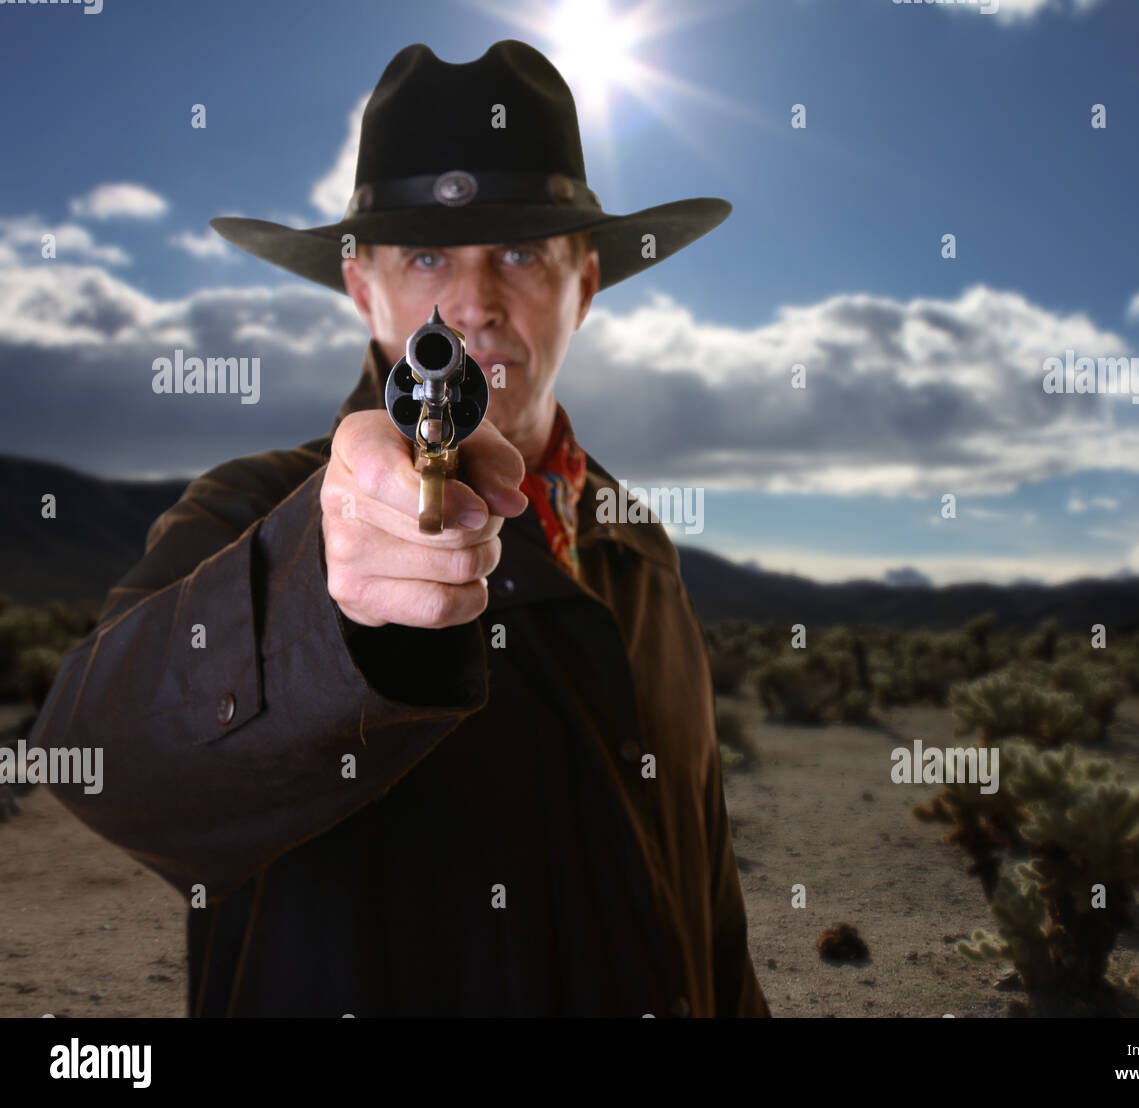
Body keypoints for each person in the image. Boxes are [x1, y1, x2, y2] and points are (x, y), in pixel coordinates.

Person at [28, 39, 770, 1018]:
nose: (471, 305)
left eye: (519, 252)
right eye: (426, 256)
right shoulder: (249, 509)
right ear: (361, 288)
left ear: (583, 285)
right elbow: (98, 758)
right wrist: (319, 585)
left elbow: (703, 891)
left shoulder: (636, 541)